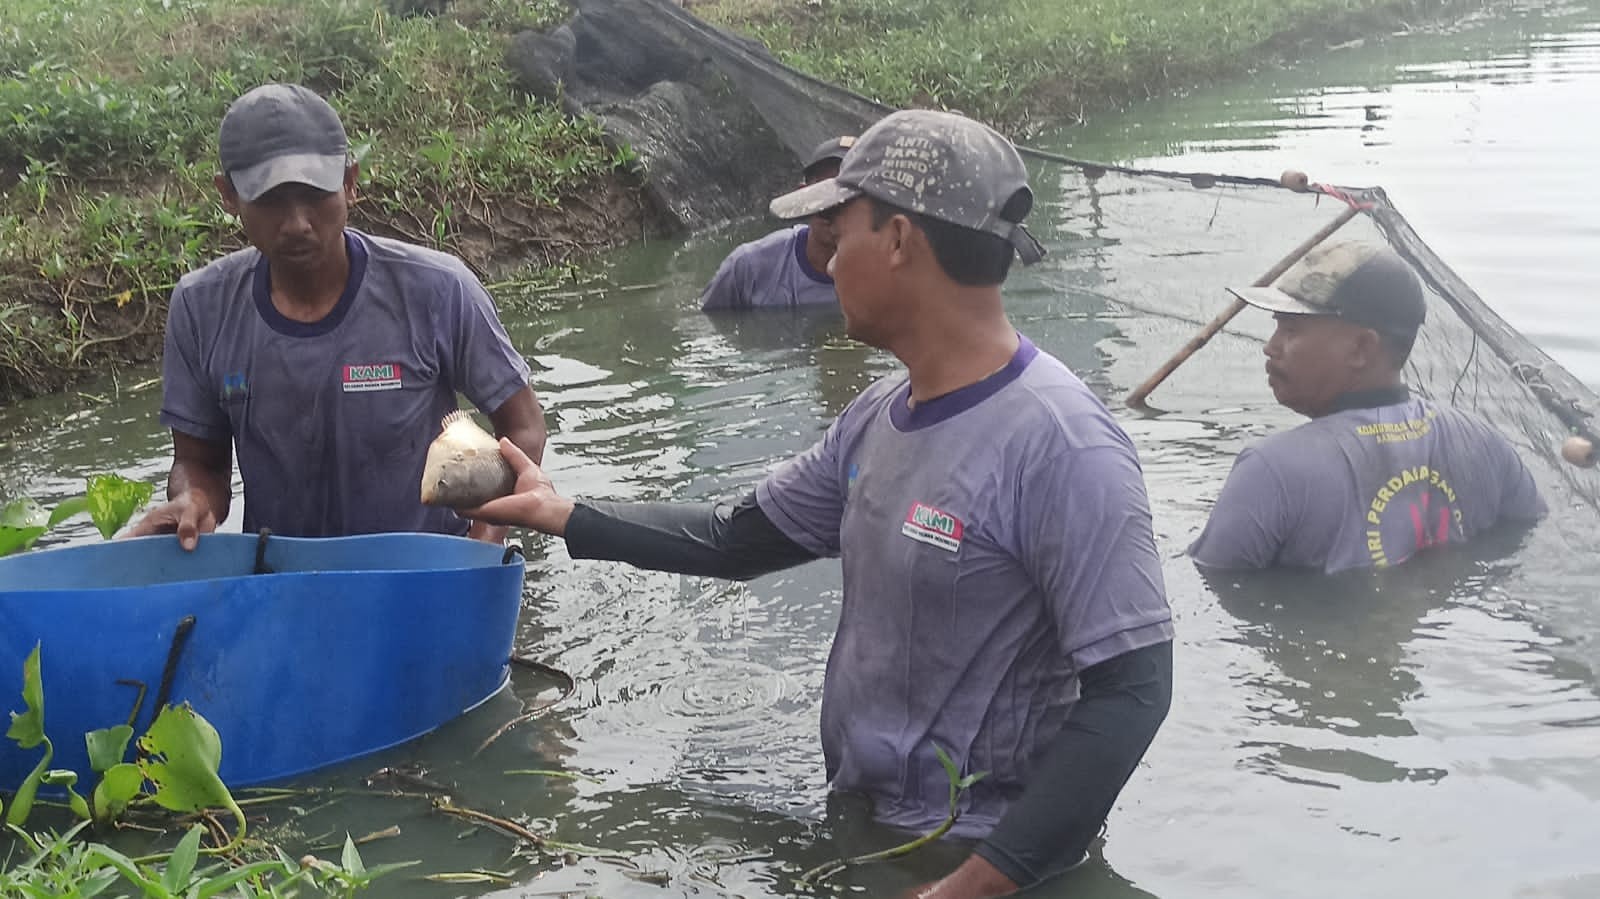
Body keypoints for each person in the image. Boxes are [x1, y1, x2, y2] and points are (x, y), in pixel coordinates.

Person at [468, 109, 1175, 898]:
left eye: (840, 237)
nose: (827, 264)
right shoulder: (876, 416)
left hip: (982, 855)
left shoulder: (1064, 444)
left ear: (901, 241)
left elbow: (1133, 689)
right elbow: (735, 538)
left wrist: (982, 881)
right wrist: (562, 511)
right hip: (864, 828)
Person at [128, 83, 545, 548]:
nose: (297, 224)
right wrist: (192, 502)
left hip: (425, 570)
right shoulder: (201, 307)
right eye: (270, 201)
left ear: (350, 181)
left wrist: (481, 546)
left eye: (314, 194)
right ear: (228, 195)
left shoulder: (438, 290)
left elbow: (523, 426)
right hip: (285, 577)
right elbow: (200, 463)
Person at [1188, 240, 1546, 573]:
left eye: (1292, 329)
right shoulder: (1484, 442)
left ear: (1360, 348)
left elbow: (1212, 583)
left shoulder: (1270, 471)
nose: (1271, 346)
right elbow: (1529, 538)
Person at [698, 135, 854, 311]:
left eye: (852, 197)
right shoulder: (748, 267)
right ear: (804, 197)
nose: (838, 208)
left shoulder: (885, 278)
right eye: (824, 194)